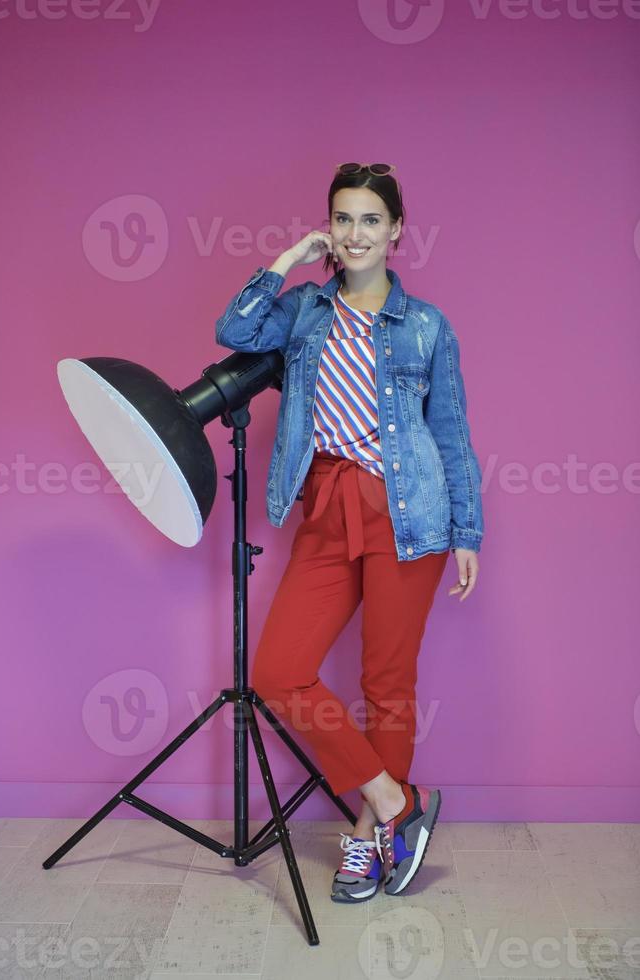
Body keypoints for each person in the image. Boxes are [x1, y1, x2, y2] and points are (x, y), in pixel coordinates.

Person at [214, 162, 484, 903]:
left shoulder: (427, 326)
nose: (356, 233)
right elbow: (233, 329)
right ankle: (400, 804)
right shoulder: (305, 311)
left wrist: (468, 531)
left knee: (387, 685)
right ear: (327, 229)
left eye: (371, 219)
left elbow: (452, 434)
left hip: (411, 512)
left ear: (396, 230)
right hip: (327, 505)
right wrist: (284, 262)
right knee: (279, 672)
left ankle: (370, 838)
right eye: (343, 219)